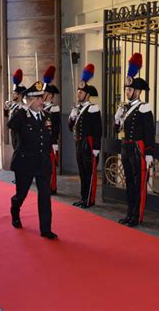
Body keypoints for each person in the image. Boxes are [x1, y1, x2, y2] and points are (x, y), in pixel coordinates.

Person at [7, 80, 57, 240]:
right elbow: (11, 125)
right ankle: (15, 209)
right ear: (29, 100)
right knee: (21, 194)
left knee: (45, 196)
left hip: (42, 162)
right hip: (25, 162)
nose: (42, 101)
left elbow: (50, 136)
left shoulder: (46, 116)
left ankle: (46, 229)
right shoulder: (21, 116)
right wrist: (23, 108)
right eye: (38, 98)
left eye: (42, 98)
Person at [114, 53, 155, 228]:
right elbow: (117, 130)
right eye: (126, 89)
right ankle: (129, 213)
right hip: (125, 147)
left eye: (130, 89)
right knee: (129, 183)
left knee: (139, 185)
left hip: (138, 149)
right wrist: (116, 119)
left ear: (138, 91)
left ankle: (137, 216)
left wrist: (149, 153)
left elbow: (149, 132)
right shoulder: (123, 107)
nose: (127, 91)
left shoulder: (144, 107)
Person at [69, 64, 102, 209]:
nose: (78, 95)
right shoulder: (77, 109)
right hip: (78, 143)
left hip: (88, 143)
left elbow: (97, 130)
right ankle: (83, 197)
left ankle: (90, 199)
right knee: (82, 172)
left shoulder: (93, 108)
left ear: (87, 95)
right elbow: (71, 128)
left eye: (81, 93)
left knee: (90, 173)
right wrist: (71, 118)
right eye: (78, 92)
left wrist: (96, 147)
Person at [42, 66, 61, 195]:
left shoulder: (54, 108)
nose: (42, 95)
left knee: (51, 167)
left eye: (44, 93)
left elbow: (56, 127)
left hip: (50, 141)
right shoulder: (40, 107)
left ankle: (52, 187)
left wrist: (54, 142)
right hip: (42, 141)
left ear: (50, 95)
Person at [4, 69, 26, 150]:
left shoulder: (24, 106)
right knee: (14, 146)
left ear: (20, 95)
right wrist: (6, 108)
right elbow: (6, 116)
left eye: (15, 94)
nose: (13, 95)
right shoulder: (12, 105)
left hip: (21, 131)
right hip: (13, 130)